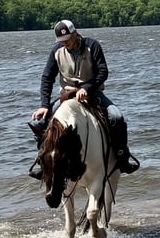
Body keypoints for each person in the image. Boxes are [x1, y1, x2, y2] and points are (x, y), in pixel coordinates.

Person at [28, 19, 140, 180]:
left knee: (117, 117)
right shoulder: (57, 51)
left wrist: (87, 88)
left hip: (94, 93)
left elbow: (103, 72)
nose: (65, 43)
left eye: (67, 39)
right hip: (66, 96)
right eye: (61, 41)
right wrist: (44, 105)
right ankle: (43, 163)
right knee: (38, 124)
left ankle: (122, 158)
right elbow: (47, 78)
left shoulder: (92, 45)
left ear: (74, 33)